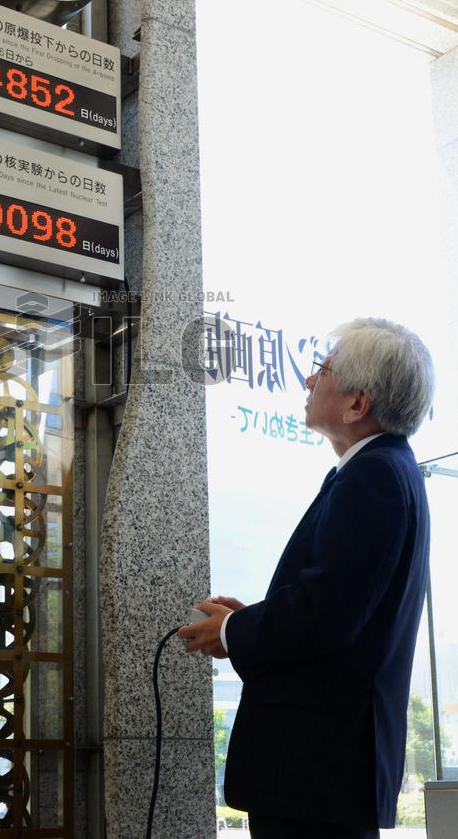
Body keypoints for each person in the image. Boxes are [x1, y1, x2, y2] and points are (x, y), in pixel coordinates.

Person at [179, 318, 435, 839]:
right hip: (324, 774)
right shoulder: (383, 470)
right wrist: (252, 620)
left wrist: (232, 632)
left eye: (321, 371)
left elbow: (327, 615)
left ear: (357, 404)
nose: (307, 382)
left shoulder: (375, 476)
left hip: (316, 770)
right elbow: (338, 608)